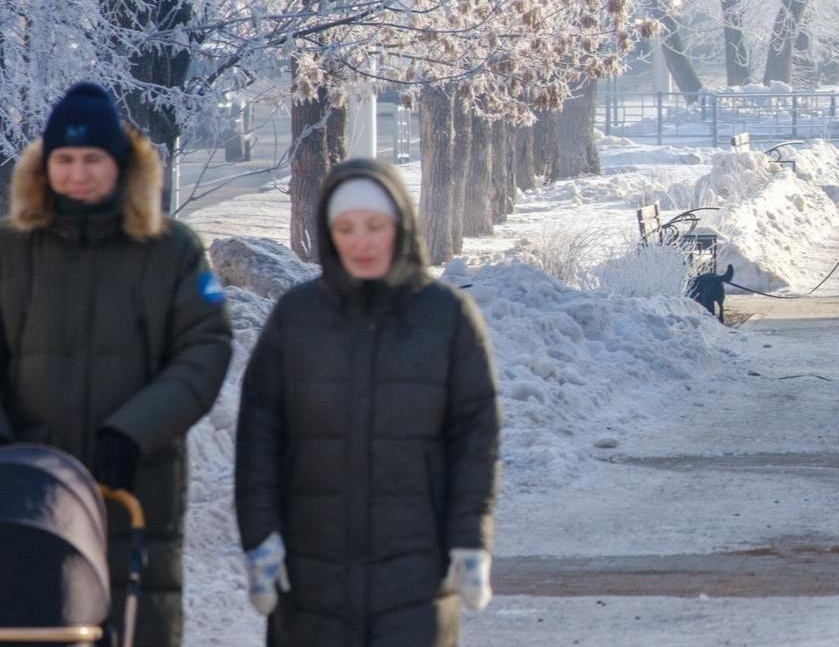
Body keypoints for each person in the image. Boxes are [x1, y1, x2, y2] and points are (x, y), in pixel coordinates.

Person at [0, 81, 233, 647]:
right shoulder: (11, 248)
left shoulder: (172, 249)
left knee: (136, 624)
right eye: (66, 159)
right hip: (28, 489)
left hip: (136, 484)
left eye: (93, 159)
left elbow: (205, 348)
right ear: (45, 166)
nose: (79, 173)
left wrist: (133, 433)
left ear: (121, 164)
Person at [235, 158, 500, 645]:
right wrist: (261, 537)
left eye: (375, 226)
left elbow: (474, 437)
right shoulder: (297, 316)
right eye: (346, 227)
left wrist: (470, 538)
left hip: (418, 571)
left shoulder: (447, 317)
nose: (362, 241)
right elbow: (259, 435)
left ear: (400, 225)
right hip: (310, 571)